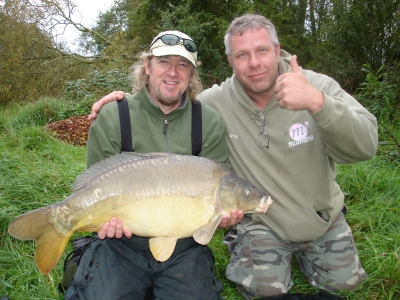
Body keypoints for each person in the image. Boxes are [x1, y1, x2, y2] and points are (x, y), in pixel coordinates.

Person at [89, 14, 378, 299]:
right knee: (263, 290)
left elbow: (366, 146)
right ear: (230, 61)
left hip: (320, 219)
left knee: (344, 284)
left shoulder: (316, 86)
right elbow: (167, 102)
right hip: (262, 223)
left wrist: (318, 103)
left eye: (262, 51)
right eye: (242, 55)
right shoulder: (215, 103)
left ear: (277, 51)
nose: (254, 63)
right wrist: (121, 104)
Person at [64, 30, 243, 300]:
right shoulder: (114, 116)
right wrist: (100, 223)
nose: (173, 72)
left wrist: (222, 218)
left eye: (183, 65)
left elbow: (219, 196)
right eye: (164, 62)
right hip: (119, 244)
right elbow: (92, 186)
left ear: (192, 75)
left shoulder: (209, 122)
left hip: (185, 247)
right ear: (147, 66)